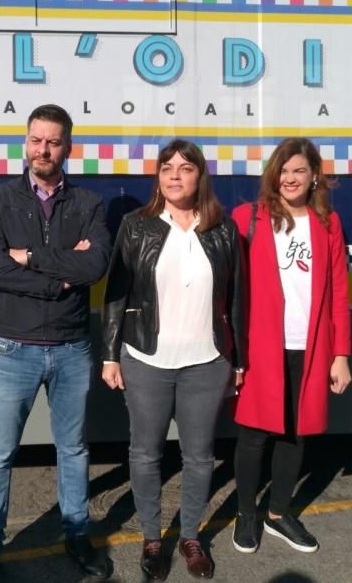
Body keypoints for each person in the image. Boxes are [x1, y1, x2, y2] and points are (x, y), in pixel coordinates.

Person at [0, 104, 113, 582]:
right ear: (25, 143)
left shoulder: (89, 203)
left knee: (72, 450)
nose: (43, 150)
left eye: (53, 141)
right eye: (36, 139)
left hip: (72, 348)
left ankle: (76, 534)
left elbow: (94, 268)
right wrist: (56, 276)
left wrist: (27, 256)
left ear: (68, 147)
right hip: (15, 348)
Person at [101, 139, 244, 580]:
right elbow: (116, 293)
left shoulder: (222, 229)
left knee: (199, 456)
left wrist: (237, 358)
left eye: (185, 168)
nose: (175, 176)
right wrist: (110, 354)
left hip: (207, 360)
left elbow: (237, 297)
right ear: (158, 177)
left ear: (200, 175)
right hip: (146, 357)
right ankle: (151, 537)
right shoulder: (136, 226)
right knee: (145, 454)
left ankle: (191, 537)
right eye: (167, 168)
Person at [230, 137, 352, 555]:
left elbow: (338, 292)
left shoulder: (329, 223)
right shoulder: (248, 217)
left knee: (296, 434)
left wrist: (340, 355)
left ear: (314, 175)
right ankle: (247, 513)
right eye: (283, 170)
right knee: (253, 433)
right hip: (261, 344)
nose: (290, 178)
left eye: (299, 170)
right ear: (273, 174)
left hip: (311, 344)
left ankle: (279, 513)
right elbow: (229, 290)